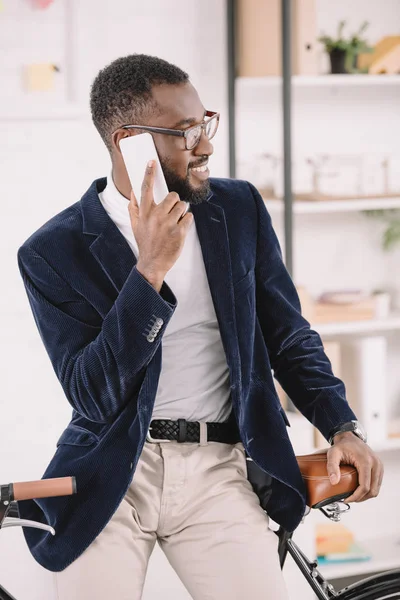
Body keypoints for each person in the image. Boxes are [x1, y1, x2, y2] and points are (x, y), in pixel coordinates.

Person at [17, 54, 384, 600]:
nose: (206, 146)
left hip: (220, 468)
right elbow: (92, 394)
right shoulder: (52, 252)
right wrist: (150, 272)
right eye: (186, 134)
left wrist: (341, 424)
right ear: (129, 140)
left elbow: (288, 333)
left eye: (204, 124)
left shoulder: (235, 209)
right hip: (113, 474)